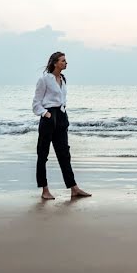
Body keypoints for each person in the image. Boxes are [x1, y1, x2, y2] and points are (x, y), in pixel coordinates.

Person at [32, 51, 91, 200]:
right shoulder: (44, 80)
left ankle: (74, 188)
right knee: (43, 155)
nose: (66, 63)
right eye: (63, 60)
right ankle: (45, 190)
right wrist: (46, 114)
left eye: (65, 60)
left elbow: (62, 99)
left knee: (65, 154)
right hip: (49, 118)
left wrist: (62, 116)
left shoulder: (63, 79)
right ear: (55, 63)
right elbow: (35, 104)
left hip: (62, 117)